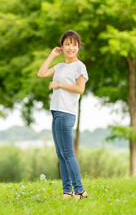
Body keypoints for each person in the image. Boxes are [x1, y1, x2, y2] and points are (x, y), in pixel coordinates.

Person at [37, 30, 88, 200]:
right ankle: (67, 191)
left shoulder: (79, 66)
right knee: (61, 155)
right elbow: (41, 73)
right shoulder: (60, 66)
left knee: (68, 153)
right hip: (56, 112)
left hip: (66, 113)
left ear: (78, 47)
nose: (70, 48)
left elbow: (80, 89)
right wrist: (52, 55)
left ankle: (80, 191)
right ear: (62, 46)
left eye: (74, 44)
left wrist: (59, 84)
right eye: (67, 44)